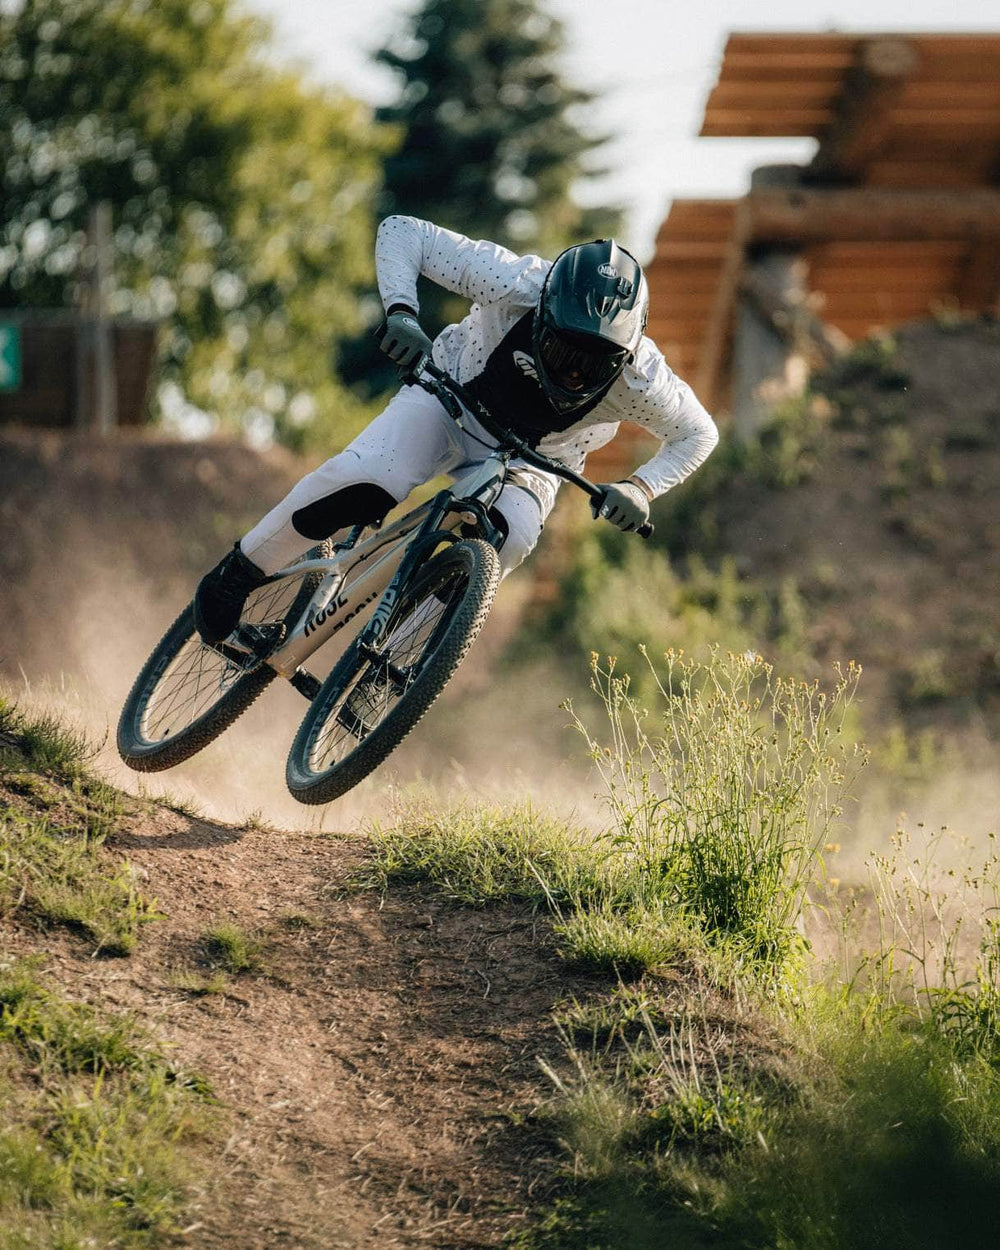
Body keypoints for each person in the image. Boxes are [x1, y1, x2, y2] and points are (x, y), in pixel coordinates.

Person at [193, 215, 719, 644]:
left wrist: (641, 488)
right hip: (447, 402)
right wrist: (402, 312)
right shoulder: (516, 281)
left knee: (506, 541)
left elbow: (699, 434)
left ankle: (398, 662)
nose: (573, 375)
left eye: (594, 364)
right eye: (562, 351)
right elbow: (403, 232)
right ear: (542, 311)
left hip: (534, 465)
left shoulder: (646, 379)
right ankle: (236, 576)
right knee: (373, 477)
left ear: (627, 355)